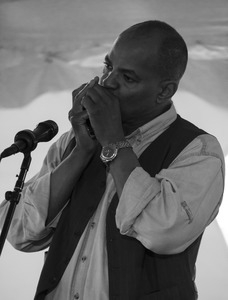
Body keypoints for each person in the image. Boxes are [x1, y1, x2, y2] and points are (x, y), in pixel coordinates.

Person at [0, 20, 225, 300]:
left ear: (164, 91)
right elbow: (19, 232)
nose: (107, 83)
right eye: (107, 66)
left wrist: (114, 143)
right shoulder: (74, 141)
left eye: (128, 78)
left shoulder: (199, 150)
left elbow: (161, 232)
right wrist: (81, 151)